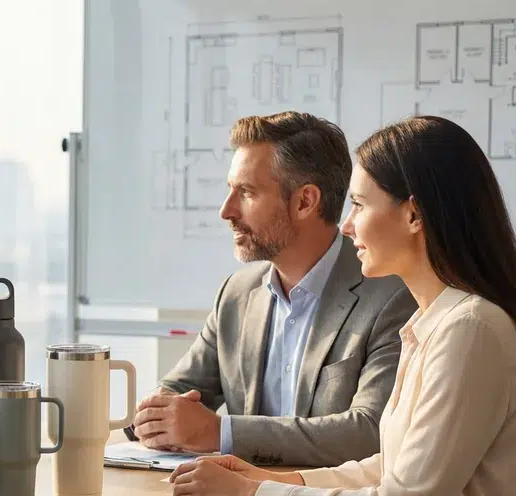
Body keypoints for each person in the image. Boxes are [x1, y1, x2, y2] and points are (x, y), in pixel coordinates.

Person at [174, 116, 516, 496]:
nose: (348, 226)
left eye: (359, 205)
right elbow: (388, 469)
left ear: (413, 214)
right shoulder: (434, 321)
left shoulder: (470, 329)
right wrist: (265, 478)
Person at [130, 112, 416, 468]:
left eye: (246, 192)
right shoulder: (236, 294)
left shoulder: (393, 297)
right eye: (229, 190)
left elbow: (369, 432)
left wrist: (221, 432)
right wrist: (161, 412)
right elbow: (180, 387)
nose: (226, 210)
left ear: (305, 202)